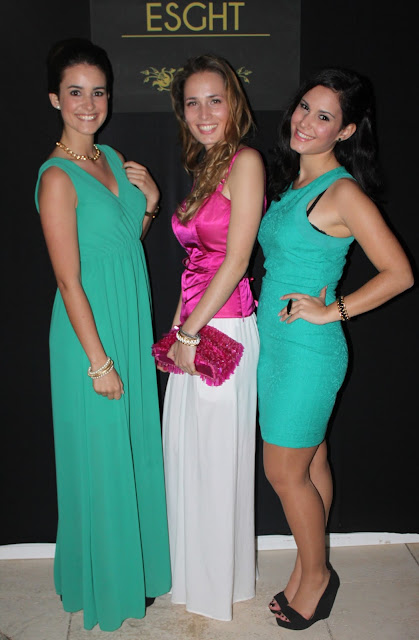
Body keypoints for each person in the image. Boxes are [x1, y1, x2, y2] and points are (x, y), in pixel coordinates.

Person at [256, 67, 413, 631]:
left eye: (324, 116)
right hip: (278, 346)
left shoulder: (342, 191)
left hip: (309, 352)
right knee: (311, 460)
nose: (305, 121)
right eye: (304, 107)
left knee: (283, 471)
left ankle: (318, 577)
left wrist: (332, 309)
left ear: (345, 131)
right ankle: (307, 565)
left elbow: (399, 273)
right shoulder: (293, 183)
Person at [35, 38, 171, 631]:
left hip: (127, 317)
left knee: (130, 448)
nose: (88, 104)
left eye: (98, 92)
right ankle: (104, 583)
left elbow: (120, 246)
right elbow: (69, 280)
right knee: (100, 458)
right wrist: (98, 362)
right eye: (75, 92)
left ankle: (133, 571)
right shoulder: (56, 178)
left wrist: (151, 204)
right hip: (86, 335)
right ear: (54, 99)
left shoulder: (113, 158)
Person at [161, 54, 265, 621]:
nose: (203, 114)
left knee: (216, 460)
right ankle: (197, 575)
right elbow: (196, 260)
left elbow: (237, 259)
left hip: (222, 327)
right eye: (192, 103)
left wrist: (191, 330)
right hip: (197, 325)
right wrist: (178, 328)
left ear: (234, 105)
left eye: (215, 100)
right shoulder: (205, 164)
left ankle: (215, 583)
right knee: (190, 455)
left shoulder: (244, 161)